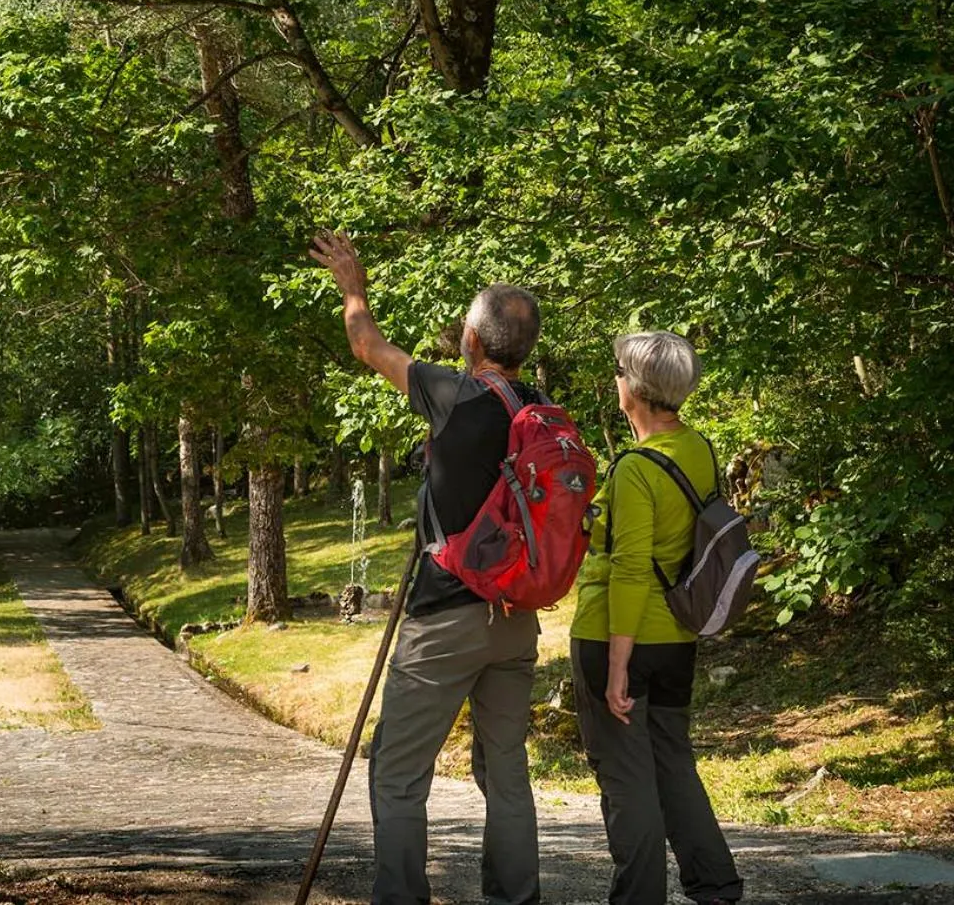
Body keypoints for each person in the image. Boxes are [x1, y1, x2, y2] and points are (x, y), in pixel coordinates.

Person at [310, 230, 543, 905]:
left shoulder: (453, 393)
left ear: (472, 341)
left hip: (445, 615)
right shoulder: (538, 410)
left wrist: (353, 286)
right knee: (506, 772)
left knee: (397, 771)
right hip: (515, 619)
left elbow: (368, 346)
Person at [570, 331, 743, 905]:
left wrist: (617, 666)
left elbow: (631, 569)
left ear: (635, 390)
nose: (615, 379)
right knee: (673, 760)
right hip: (677, 638)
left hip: (618, 635)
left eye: (618, 370)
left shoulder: (635, 468)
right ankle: (715, 885)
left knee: (625, 779)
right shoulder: (700, 449)